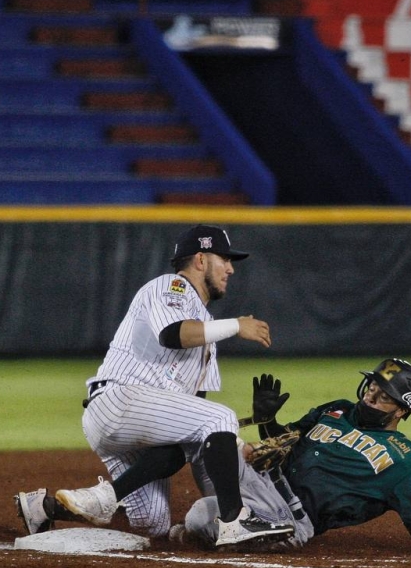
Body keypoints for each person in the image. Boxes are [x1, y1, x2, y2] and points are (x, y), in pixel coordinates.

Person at [15, 224, 295, 548]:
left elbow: (197, 435)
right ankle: (235, 523)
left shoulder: (206, 337)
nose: (231, 268)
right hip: (120, 400)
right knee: (221, 417)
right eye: (225, 259)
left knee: (153, 521)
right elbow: (172, 334)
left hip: (134, 423)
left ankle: (44, 507)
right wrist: (236, 325)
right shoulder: (171, 286)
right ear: (201, 260)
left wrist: (232, 456)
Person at [172, 359, 411, 552]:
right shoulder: (337, 409)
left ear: (402, 410)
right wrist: (267, 420)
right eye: (371, 387)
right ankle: (136, 491)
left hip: (291, 519)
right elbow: (282, 444)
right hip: (263, 484)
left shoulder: (402, 458)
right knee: (216, 435)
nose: (370, 396)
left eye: (381, 396)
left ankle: (213, 529)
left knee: (199, 515)